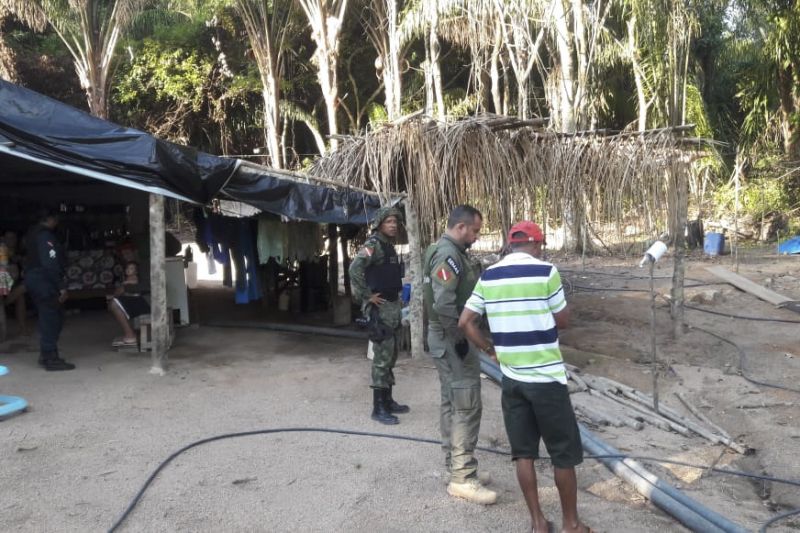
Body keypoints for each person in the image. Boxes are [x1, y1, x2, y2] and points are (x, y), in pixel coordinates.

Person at [459, 221, 591, 533]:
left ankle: (537, 522)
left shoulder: (489, 276)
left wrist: (490, 349)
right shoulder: (546, 272)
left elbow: (466, 321)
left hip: (512, 381)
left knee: (524, 454)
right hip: (546, 379)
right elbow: (562, 320)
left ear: (510, 245)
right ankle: (571, 524)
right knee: (562, 455)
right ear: (537, 245)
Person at [423, 204, 496, 505]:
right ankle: (463, 477)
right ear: (461, 227)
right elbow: (442, 303)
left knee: (452, 401)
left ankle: (454, 466)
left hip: (446, 337)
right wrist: (460, 338)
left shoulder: (447, 251)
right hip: (452, 338)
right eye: (475, 230)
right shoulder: (448, 255)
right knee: (466, 403)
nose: (477, 237)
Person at [349, 206, 409, 425]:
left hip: (391, 306)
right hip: (380, 308)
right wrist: (366, 296)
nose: (393, 225)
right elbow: (354, 269)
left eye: (395, 222)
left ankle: (388, 400)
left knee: (391, 355)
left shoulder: (388, 246)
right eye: (389, 222)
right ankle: (378, 408)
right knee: (382, 359)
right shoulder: (373, 245)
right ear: (379, 224)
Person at [23, 209, 75, 371]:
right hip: (43, 281)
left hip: (36, 278)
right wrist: (60, 286)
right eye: (56, 219)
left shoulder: (31, 234)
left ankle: (46, 354)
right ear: (50, 219)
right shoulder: (44, 236)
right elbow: (49, 264)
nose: (57, 222)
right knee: (51, 319)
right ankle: (50, 358)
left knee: (52, 317)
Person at [108, 261, 150, 348]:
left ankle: (130, 336)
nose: (128, 270)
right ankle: (131, 334)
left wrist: (122, 287)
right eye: (127, 268)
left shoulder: (133, 279)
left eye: (131, 269)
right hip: (135, 301)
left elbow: (119, 291)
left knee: (114, 303)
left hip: (138, 302)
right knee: (114, 302)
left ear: (136, 272)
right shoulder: (128, 280)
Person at [2, 230, 29, 336]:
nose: (11, 240)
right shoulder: (2, 251)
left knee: (21, 295)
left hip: (14, 283)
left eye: (13, 238)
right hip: (3, 284)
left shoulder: (19, 251)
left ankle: (22, 328)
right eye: (8, 238)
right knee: (22, 289)